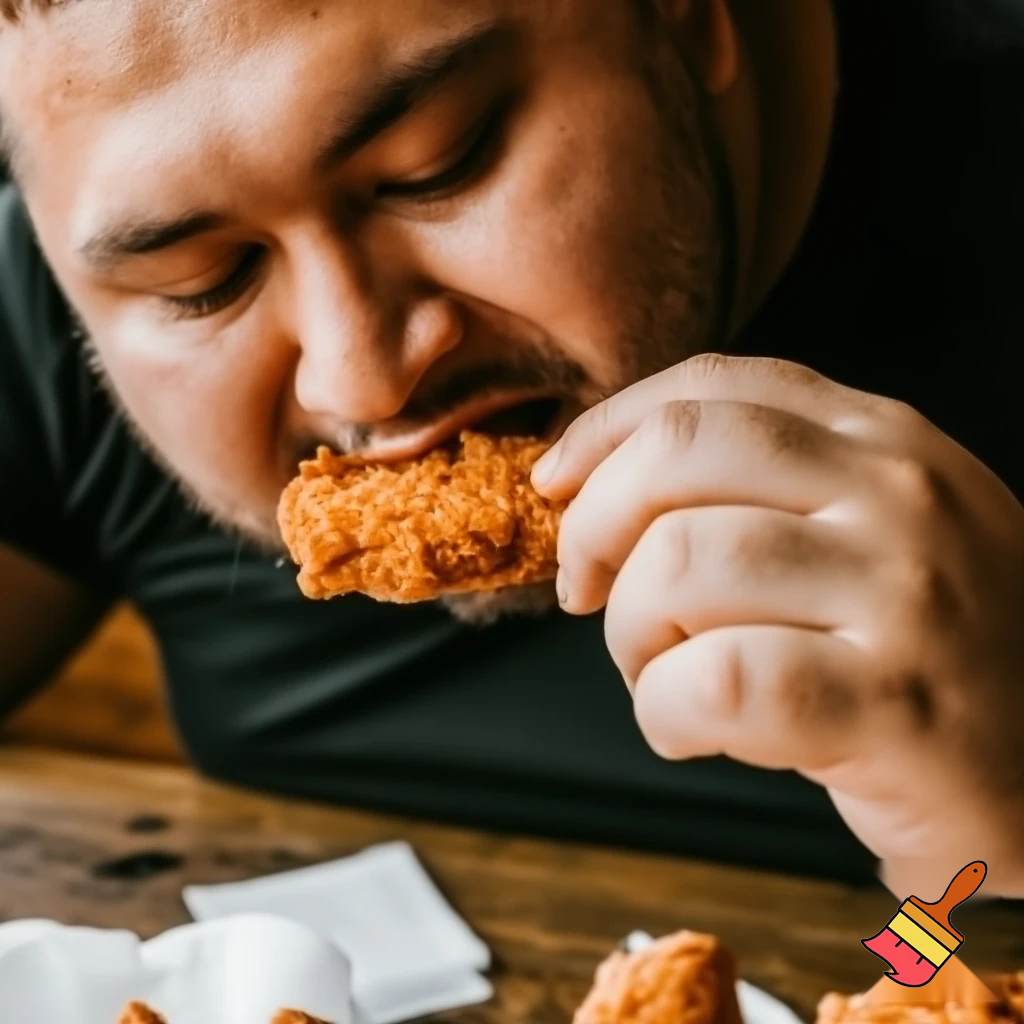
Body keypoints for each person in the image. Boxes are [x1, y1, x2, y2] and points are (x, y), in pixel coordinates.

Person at [1, 0, 1022, 890]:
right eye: (206, 284)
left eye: (435, 166)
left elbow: (932, 951)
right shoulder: (46, 326)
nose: (362, 378)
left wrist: (992, 836)